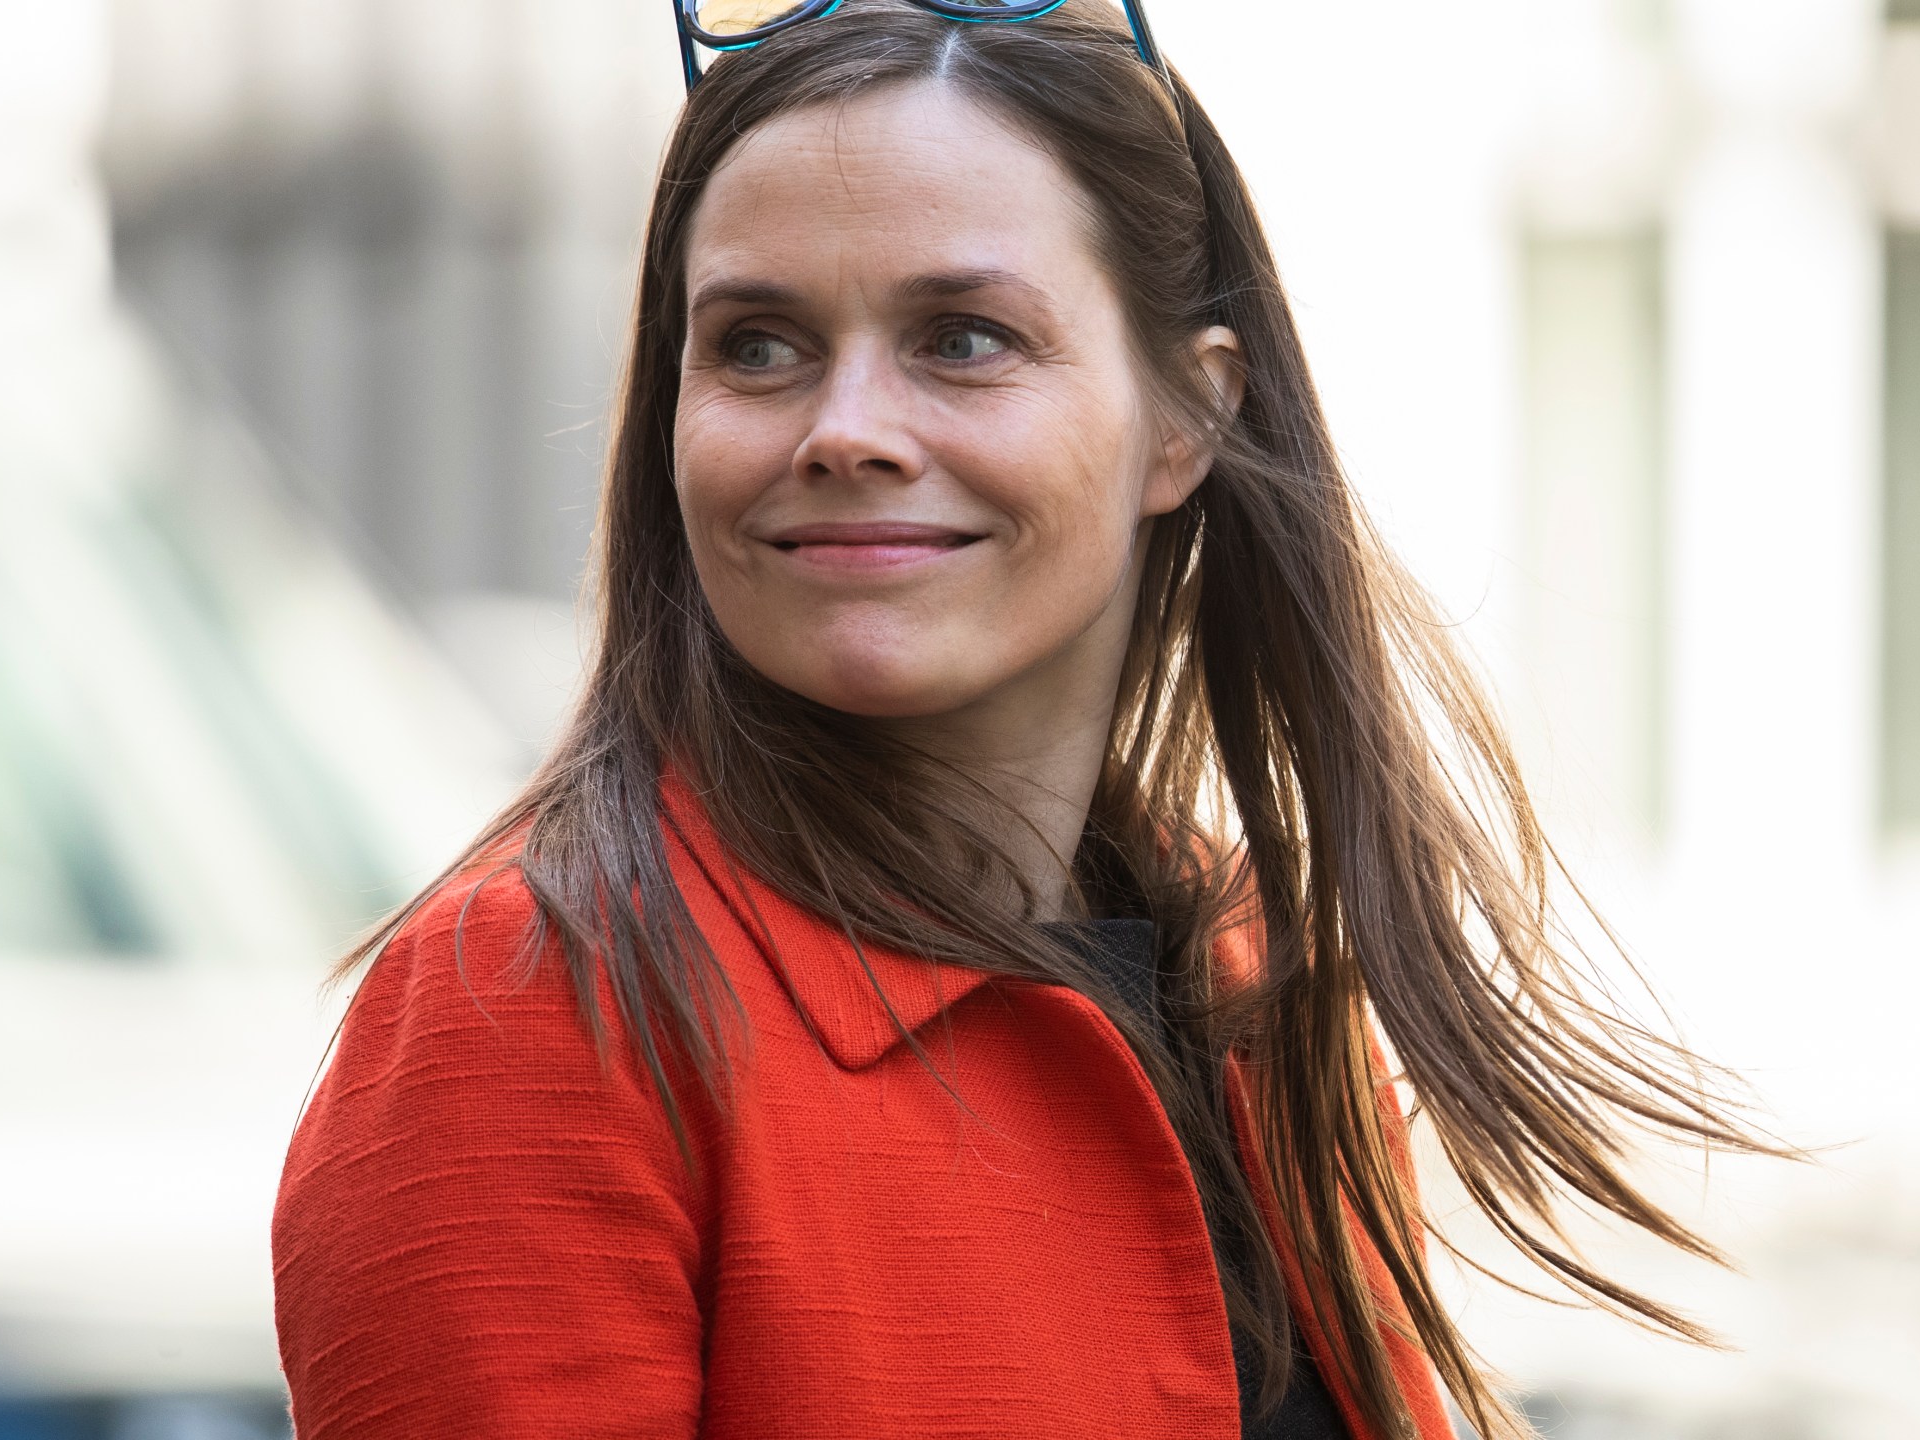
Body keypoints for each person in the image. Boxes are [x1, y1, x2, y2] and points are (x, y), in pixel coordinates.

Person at [271, 3, 1770, 1436]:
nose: (845, 428)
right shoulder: (528, 1010)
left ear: (1188, 416)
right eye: (758, 345)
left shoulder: (1256, 975)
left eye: (965, 337)